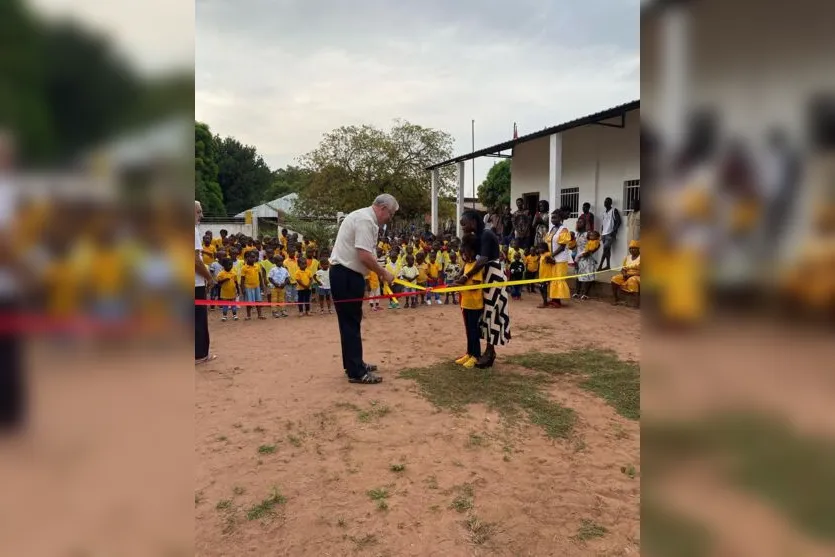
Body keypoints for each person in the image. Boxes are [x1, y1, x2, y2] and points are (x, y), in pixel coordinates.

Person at [329, 194, 398, 384]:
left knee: (350, 322)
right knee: (350, 323)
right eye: (390, 214)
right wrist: (383, 273)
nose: (389, 219)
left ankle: (353, 364)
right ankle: (356, 372)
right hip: (346, 276)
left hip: (346, 275)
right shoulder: (366, 220)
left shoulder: (362, 217)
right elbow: (364, 256)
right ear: (382, 208)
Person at [455, 209, 510, 368]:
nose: (463, 228)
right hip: (482, 275)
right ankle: (476, 352)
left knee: (492, 314)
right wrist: (461, 275)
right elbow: (471, 260)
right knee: (483, 316)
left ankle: (490, 352)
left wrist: (466, 277)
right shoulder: (476, 237)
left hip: (492, 275)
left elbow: (483, 259)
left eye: (464, 224)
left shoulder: (486, 235)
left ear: (473, 221)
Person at [454, 235, 484, 369]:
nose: (463, 256)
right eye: (461, 254)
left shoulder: (475, 268)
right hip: (466, 303)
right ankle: (469, 353)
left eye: (464, 253)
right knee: (468, 331)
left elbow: (476, 287)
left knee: (474, 331)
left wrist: (461, 285)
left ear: (472, 252)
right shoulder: (467, 266)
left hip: (475, 304)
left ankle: (476, 356)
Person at [194, 201, 216, 364]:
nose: (201, 215)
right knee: (199, 319)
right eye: (198, 212)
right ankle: (200, 354)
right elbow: (195, 260)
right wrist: (209, 278)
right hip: (195, 283)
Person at [543, 207, 572, 308]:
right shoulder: (552, 229)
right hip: (552, 259)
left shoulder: (563, 230)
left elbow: (562, 247)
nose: (552, 220)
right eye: (552, 218)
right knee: (553, 279)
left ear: (560, 218)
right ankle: (553, 299)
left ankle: (557, 301)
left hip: (560, 259)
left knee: (558, 279)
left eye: (555, 218)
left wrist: (552, 256)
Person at [574, 220, 600, 300]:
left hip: (587, 258)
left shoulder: (588, 234)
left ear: (585, 224)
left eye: (581, 222)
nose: (578, 224)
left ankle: (585, 294)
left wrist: (589, 252)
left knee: (587, 276)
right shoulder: (578, 234)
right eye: (577, 222)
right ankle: (577, 292)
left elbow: (597, 244)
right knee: (578, 276)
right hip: (578, 258)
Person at [611, 240, 641, 305]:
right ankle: (616, 299)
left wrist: (630, 275)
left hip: (638, 275)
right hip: (627, 274)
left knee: (632, 280)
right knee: (614, 278)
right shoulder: (627, 258)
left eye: (634, 248)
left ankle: (637, 302)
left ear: (639, 249)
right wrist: (624, 274)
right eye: (630, 248)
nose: (632, 250)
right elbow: (623, 269)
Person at [241, 250, 266, 320]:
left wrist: (262, 286)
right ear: (247, 258)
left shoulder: (257, 266)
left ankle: (260, 315)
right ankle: (248, 315)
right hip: (248, 287)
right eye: (251, 257)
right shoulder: (244, 268)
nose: (253, 259)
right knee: (249, 302)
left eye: (254, 257)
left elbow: (260, 276)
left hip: (256, 286)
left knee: (258, 301)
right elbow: (242, 279)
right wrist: (242, 289)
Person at [598, 197, 622, 271]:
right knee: (607, 250)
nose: (605, 203)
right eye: (605, 202)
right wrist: (602, 233)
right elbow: (603, 224)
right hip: (604, 234)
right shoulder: (604, 213)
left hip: (610, 234)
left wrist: (613, 231)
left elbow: (619, 222)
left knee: (605, 249)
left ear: (610, 203)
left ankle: (600, 266)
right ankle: (608, 266)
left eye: (607, 202)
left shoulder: (614, 211)